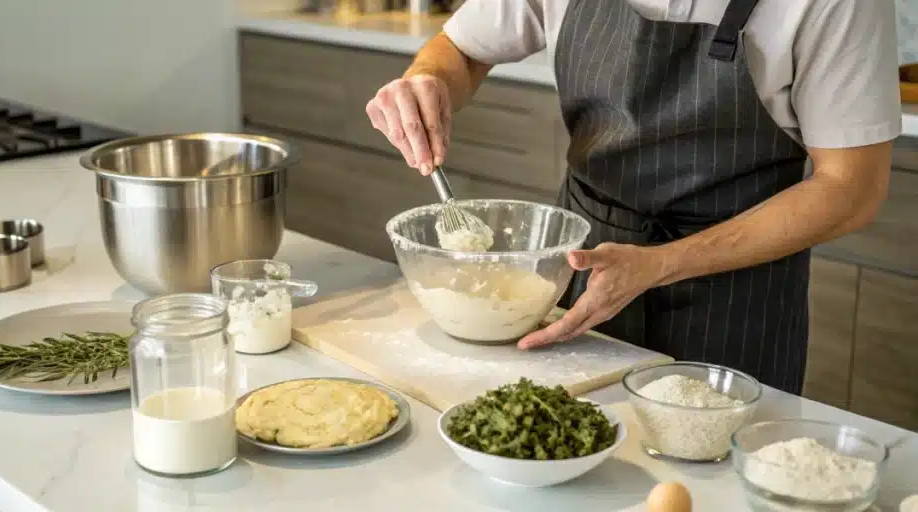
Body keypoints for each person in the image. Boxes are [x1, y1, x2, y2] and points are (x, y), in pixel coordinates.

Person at [365, 0, 902, 394]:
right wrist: (427, 80)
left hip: (737, 297)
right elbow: (460, 49)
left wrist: (664, 263)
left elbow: (851, 186)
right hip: (585, 271)